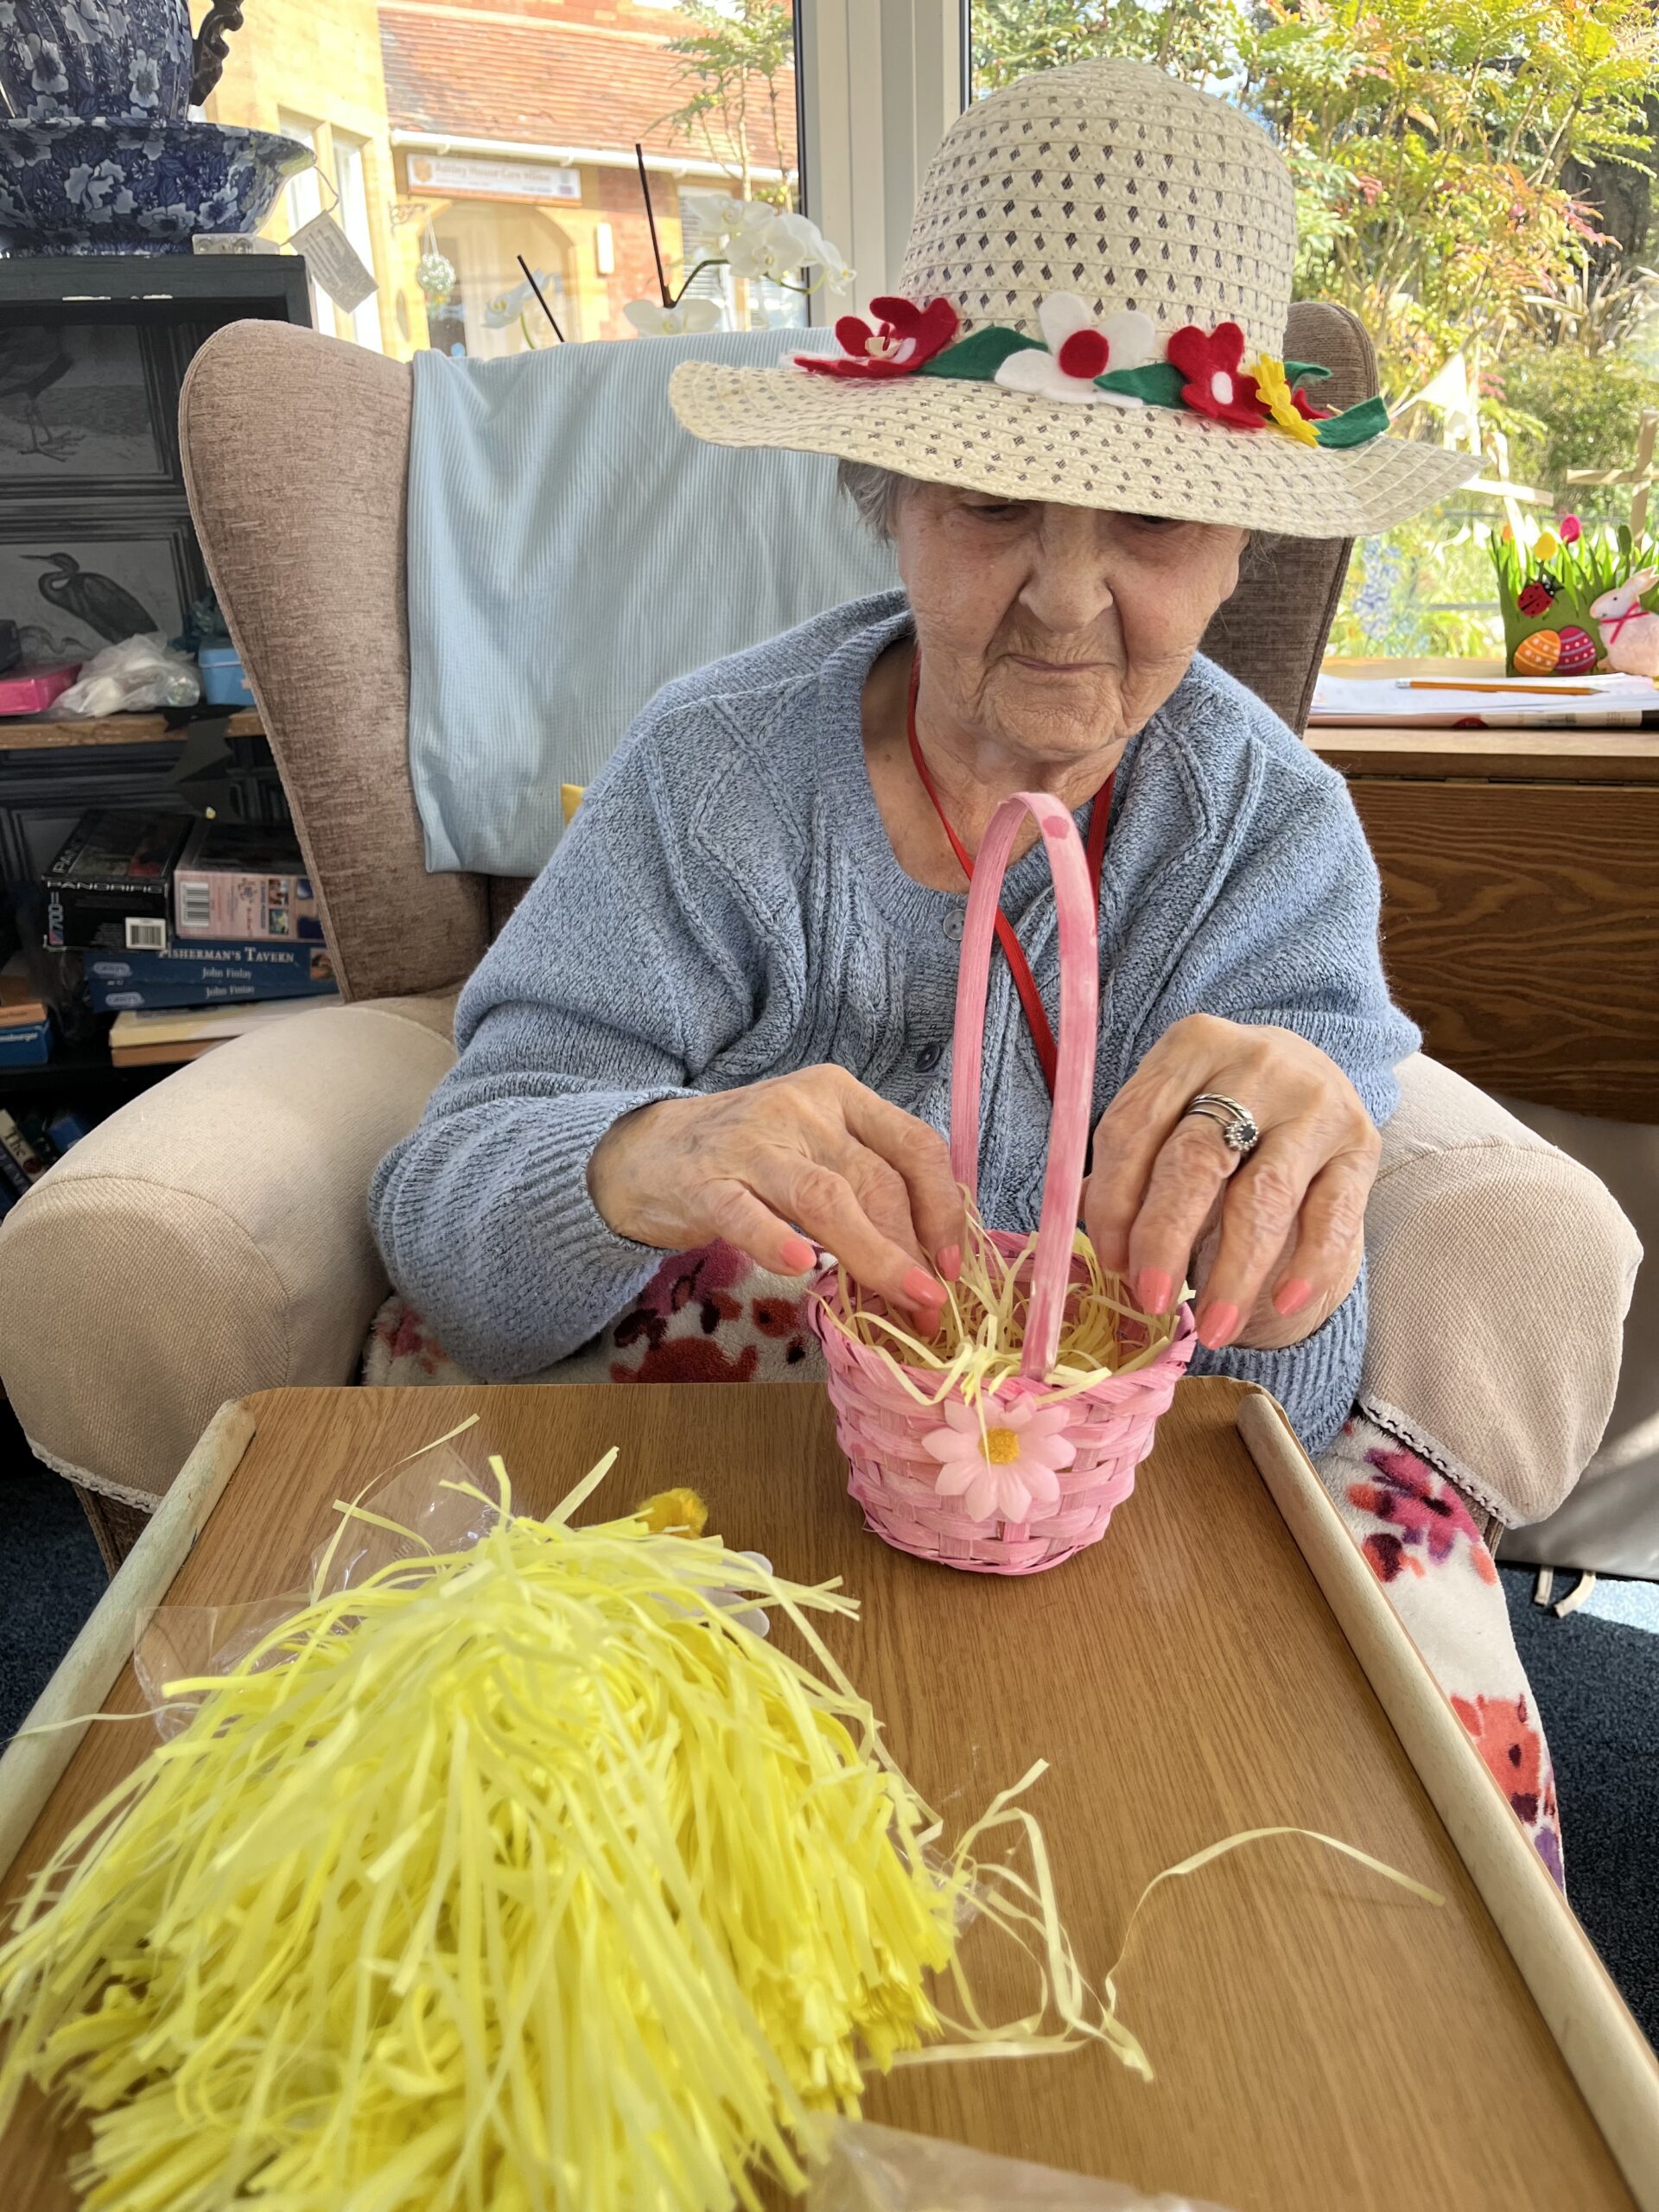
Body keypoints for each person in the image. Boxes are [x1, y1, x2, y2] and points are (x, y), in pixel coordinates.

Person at [371, 59, 1474, 1463]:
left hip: (1087, 1513)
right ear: (886, 503)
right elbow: (449, 1256)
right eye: (993, 500)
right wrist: (643, 1155)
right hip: (711, 1473)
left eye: (1153, 520)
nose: (1067, 599)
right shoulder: (717, 774)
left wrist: (1286, 1233)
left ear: (1241, 555)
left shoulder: (1271, 841)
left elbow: (1277, 1421)